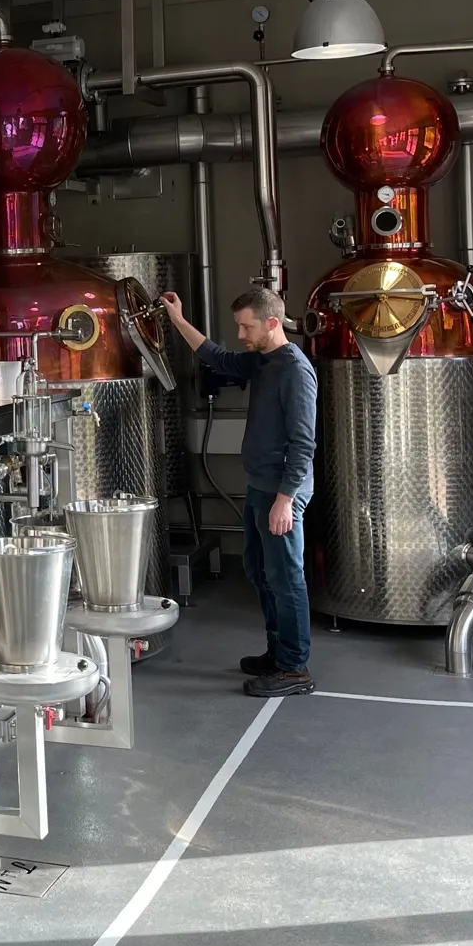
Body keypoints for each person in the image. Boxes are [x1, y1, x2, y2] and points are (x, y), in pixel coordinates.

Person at [160, 286, 319, 697]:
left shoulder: (294, 370)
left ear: (272, 323)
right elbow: (217, 356)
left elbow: (304, 443)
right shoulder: (262, 360)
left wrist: (285, 500)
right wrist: (178, 320)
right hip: (260, 486)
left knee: (286, 578)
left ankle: (294, 668)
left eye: (247, 327)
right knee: (261, 573)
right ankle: (278, 653)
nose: (241, 335)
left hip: (281, 492)